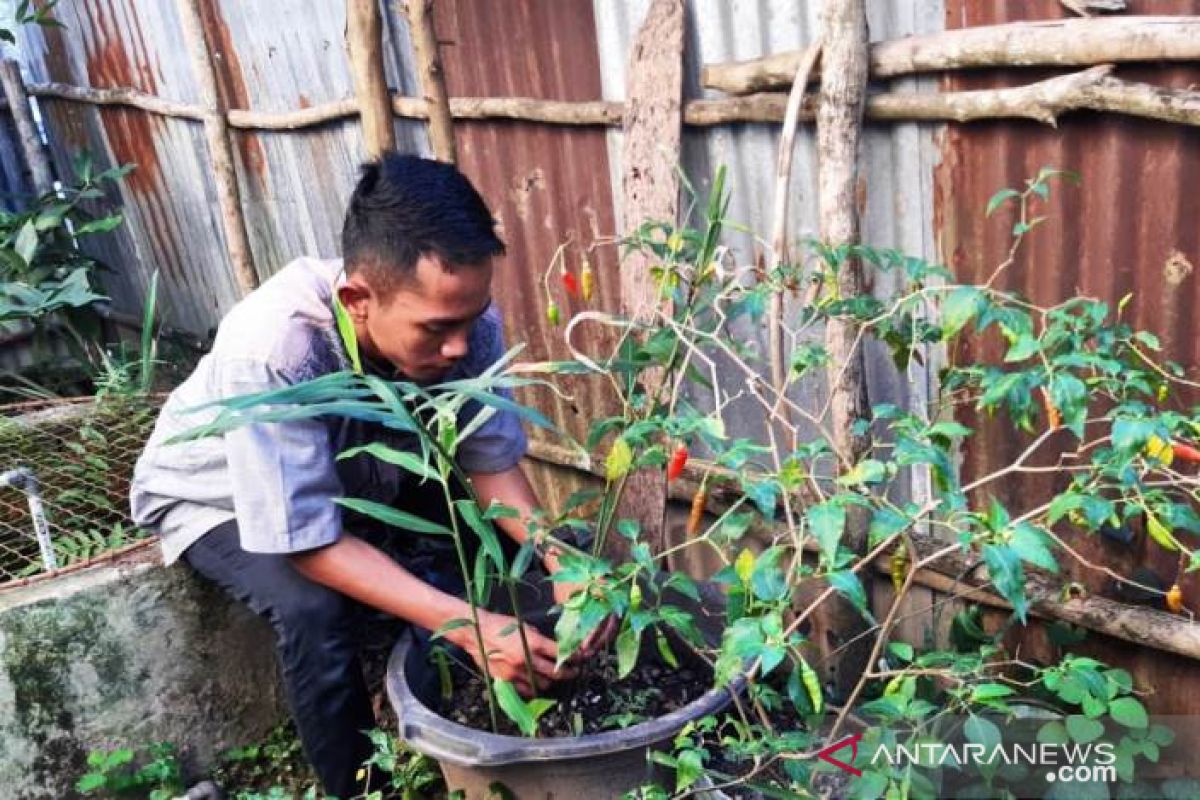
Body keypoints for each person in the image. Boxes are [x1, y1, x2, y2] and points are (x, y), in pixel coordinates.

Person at [130, 154, 585, 797]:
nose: (460, 348)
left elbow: (489, 461)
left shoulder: (464, 318)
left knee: (509, 549)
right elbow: (305, 540)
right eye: (437, 329)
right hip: (217, 494)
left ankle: (467, 707)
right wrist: (470, 625)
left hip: (355, 474)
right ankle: (359, 786)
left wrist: (565, 560)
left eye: (470, 317)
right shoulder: (276, 348)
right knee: (312, 609)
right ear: (357, 302)